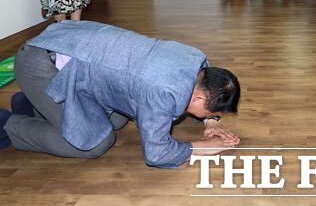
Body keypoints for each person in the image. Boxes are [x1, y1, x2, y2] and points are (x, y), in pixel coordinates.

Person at [0, 20, 241, 168]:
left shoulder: (196, 61)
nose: (212, 115)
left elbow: (198, 92)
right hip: (40, 62)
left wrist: (210, 121)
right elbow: (157, 154)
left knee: (117, 119)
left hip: (69, 42)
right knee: (94, 144)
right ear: (199, 98)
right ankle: (9, 125)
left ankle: (31, 103)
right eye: (212, 112)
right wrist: (204, 147)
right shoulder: (161, 91)